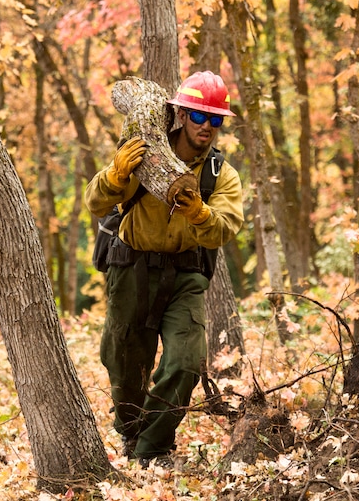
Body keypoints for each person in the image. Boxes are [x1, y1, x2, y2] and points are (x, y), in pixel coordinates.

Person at [85, 71, 244, 468]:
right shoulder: (145, 153)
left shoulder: (219, 176)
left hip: (185, 275)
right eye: (199, 117)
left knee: (185, 363)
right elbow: (94, 200)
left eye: (216, 120)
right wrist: (117, 174)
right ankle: (130, 430)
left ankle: (152, 450)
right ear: (180, 114)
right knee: (122, 359)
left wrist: (200, 212)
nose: (207, 127)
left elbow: (225, 227)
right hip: (132, 267)